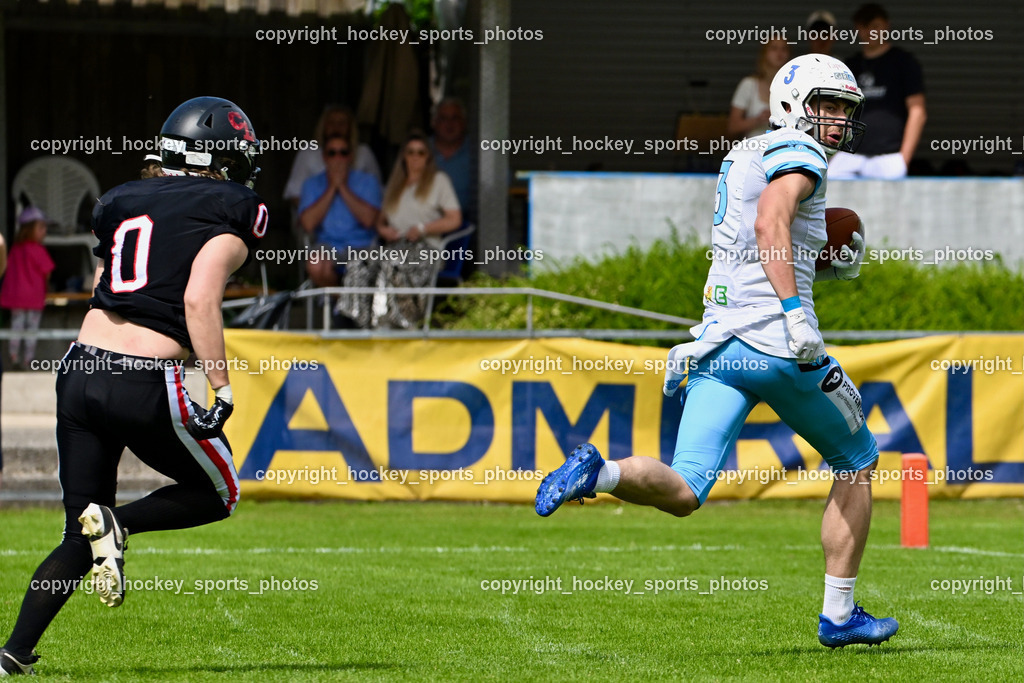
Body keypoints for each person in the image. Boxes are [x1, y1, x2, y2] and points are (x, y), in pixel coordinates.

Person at [536, 54, 899, 649]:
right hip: (779, 346)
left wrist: (815, 262)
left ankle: (599, 472)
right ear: (791, 105)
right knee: (857, 461)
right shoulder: (802, 153)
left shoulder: (745, 152)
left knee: (685, 489)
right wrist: (795, 312)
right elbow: (769, 223)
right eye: (826, 105)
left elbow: (762, 243)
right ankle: (839, 615)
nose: (837, 119)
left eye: (843, 108)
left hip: (719, 346)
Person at [0, 96, 267, 676]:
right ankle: (121, 523)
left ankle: (12, 653)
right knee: (220, 490)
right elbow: (199, 299)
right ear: (218, 158)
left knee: (79, 531)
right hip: (140, 376)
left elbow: (104, 285)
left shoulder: (120, 200)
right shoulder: (233, 207)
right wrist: (221, 388)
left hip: (79, 368)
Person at [336, 131, 461, 329]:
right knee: (359, 262)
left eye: (421, 152)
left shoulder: (439, 181)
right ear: (404, 156)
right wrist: (384, 230)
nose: (415, 157)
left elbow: (454, 219)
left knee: (390, 264)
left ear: (428, 157)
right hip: (396, 246)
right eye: (410, 152)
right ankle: (359, 321)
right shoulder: (396, 185)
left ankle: (393, 323)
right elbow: (380, 221)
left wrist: (422, 228)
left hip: (425, 250)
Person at [828, 3, 926, 179]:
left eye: (875, 26)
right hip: (849, 155)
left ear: (886, 26)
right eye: (864, 26)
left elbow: (917, 111)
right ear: (857, 29)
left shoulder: (903, 62)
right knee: (828, 184)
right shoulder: (849, 66)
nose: (870, 32)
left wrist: (904, 159)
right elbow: (833, 110)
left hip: (889, 156)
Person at [298, 134, 382, 288]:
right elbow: (308, 224)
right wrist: (332, 188)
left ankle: (342, 301)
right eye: (332, 153)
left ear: (350, 156)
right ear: (324, 157)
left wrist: (342, 187)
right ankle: (341, 299)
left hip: (363, 245)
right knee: (315, 264)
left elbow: (369, 220)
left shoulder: (368, 181)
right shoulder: (311, 184)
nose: (338, 158)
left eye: (343, 152)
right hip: (327, 245)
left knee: (365, 266)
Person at [284, 104, 381, 207]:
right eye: (331, 122)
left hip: (358, 214)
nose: (336, 127)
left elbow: (378, 194)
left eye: (342, 123)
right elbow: (295, 194)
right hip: (315, 213)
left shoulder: (364, 153)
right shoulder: (308, 152)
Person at [0, 208, 55, 370]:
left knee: (16, 328)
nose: (45, 231)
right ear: (29, 229)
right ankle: (28, 360)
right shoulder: (38, 250)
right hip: (33, 298)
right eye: (41, 227)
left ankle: (14, 357)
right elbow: (47, 271)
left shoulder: (14, 249)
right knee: (31, 331)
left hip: (16, 298)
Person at [727, 39, 791, 139]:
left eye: (784, 49)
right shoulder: (749, 85)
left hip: (783, 146)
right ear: (764, 53)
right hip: (754, 146)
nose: (779, 53)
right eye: (774, 48)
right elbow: (732, 127)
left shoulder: (793, 87)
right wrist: (758, 120)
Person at [430, 98, 475, 222]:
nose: (449, 124)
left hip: (469, 223)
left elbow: (503, 181)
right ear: (434, 123)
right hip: (426, 224)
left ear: (464, 123)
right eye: (443, 119)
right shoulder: (420, 151)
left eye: (455, 118)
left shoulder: (478, 152)